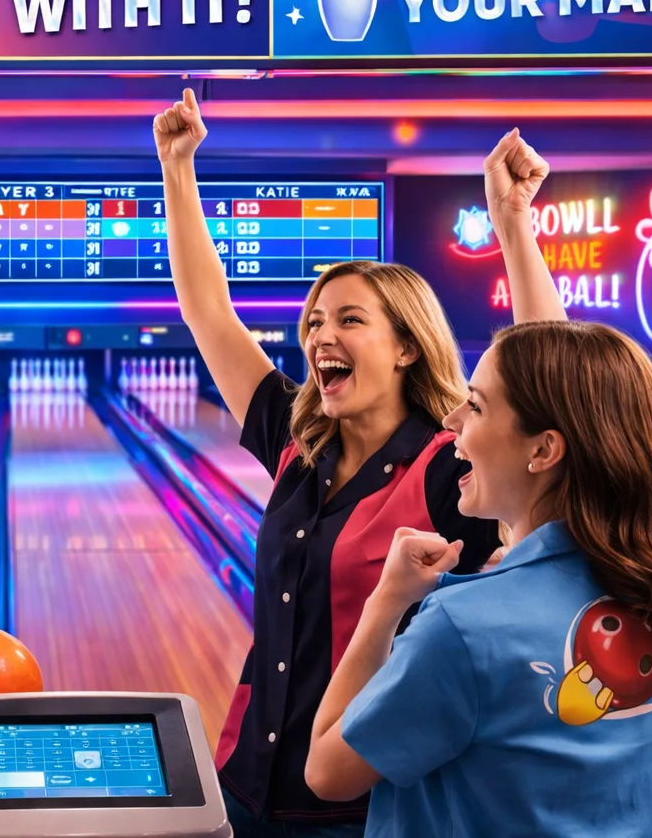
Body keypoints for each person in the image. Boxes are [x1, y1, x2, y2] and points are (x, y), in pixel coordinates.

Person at [153, 90, 561, 835]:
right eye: (313, 321)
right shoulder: (296, 441)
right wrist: (177, 167)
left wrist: (514, 225)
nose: (320, 336)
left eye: (348, 319)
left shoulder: (451, 471)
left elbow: (554, 391)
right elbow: (207, 311)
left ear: (406, 345)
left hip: (370, 803)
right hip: (245, 781)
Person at [305, 316, 652, 837]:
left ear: (543, 450)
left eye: (475, 405)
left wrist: (384, 603)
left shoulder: (463, 627)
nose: (452, 419)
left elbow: (327, 772)